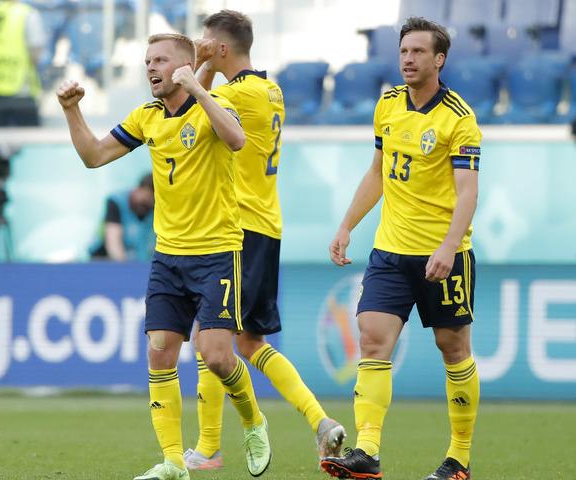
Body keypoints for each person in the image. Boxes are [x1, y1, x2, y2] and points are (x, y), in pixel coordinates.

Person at [58, 33, 272, 480]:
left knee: (216, 356)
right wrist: (71, 111)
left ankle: (253, 421)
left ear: (183, 66)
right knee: (159, 353)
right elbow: (94, 156)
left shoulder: (212, 107)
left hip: (216, 252)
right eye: (147, 60)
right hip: (168, 257)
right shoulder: (147, 117)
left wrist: (198, 87)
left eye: (160, 60)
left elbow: (236, 140)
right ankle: (174, 462)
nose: (150, 68)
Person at [320, 17, 481, 480]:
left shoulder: (459, 118)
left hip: (443, 255)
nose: (407, 59)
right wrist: (347, 225)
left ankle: (459, 459)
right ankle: (367, 452)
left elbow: (467, 192)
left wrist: (450, 246)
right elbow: (377, 172)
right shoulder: (388, 104)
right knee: (371, 338)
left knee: (453, 348)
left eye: (417, 52)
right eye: (403, 51)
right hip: (390, 251)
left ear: (439, 59)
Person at [184, 10, 345, 472]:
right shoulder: (267, 89)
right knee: (250, 343)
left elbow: (179, 110)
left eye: (204, 42)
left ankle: (209, 448)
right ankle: (319, 420)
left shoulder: (233, 95)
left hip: (238, 228)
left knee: (208, 336)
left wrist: (197, 71)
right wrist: (207, 66)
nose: (198, 47)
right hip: (266, 224)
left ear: (220, 48)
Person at [90, 173, 155, 262]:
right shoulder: (116, 201)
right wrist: (124, 269)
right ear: (138, 189)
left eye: (151, 200)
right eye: (145, 197)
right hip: (104, 259)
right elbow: (113, 243)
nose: (146, 202)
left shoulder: (155, 208)